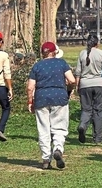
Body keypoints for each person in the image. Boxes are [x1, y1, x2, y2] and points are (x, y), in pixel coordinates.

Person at [27, 42, 76, 170]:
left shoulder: (37, 66)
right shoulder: (61, 63)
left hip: (41, 98)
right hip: (59, 97)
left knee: (43, 129)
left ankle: (45, 159)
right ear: (54, 52)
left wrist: (30, 101)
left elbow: (30, 87)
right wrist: (68, 90)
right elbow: (72, 80)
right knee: (59, 127)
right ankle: (58, 148)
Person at [74, 33, 102, 145]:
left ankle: (82, 125)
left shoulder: (82, 53)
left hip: (85, 84)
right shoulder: (101, 53)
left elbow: (78, 72)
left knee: (86, 109)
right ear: (97, 43)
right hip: (99, 84)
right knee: (98, 110)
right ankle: (98, 138)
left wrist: (77, 86)